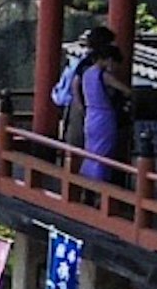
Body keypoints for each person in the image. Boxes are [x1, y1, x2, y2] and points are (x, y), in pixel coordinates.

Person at [53, 25, 129, 181]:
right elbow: (125, 91)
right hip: (99, 113)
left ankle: (83, 184)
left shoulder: (85, 65)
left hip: (89, 112)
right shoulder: (97, 69)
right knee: (100, 152)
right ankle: (96, 185)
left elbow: (76, 83)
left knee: (90, 151)